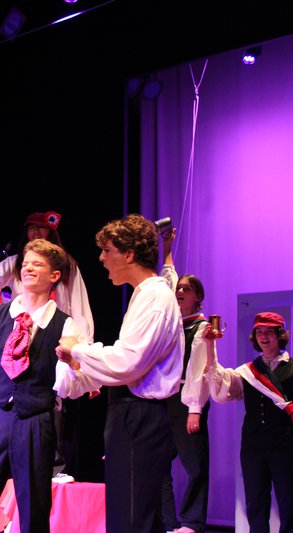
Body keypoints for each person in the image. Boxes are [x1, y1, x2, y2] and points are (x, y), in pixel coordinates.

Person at [0, 238, 98, 533]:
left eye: (38, 264)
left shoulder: (65, 325)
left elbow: (72, 386)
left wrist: (69, 362)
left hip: (35, 419)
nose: (29, 268)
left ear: (54, 276)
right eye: (26, 263)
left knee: (34, 507)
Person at [56, 213, 184, 533]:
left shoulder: (155, 298)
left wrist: (78, 349)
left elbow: (128, 361)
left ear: (128, 254)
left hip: (139, 416)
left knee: (131, 517)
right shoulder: (145, 295)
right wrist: (82, 367)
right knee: (131, 513)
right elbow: (128, 361)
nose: (101, 258)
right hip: (131, 413)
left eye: (107, 250)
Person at [204, 312, 293, 533]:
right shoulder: (248, 371)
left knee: (289, 501)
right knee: (255, 503)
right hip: (253, 445)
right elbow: (221, 392)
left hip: (285, 445)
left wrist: (285, 430)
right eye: (259, 331)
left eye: (269, 332)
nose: (264, 336)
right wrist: (211, 346)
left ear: (280, 335)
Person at [159, 228, 212, 533]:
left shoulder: (202, 329)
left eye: (187, 289)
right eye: (179, 288)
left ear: (198, 297)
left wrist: (194, 409)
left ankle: (192, 522)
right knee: (159, 462)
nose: (180, 291)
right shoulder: (171, 324)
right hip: (166, 400)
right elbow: (167, 281)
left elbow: (199, 371)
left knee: (195, 465)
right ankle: (167, 522)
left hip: (187, 402)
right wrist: (167, 248)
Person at [0, 210, 94, 340]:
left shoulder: (66, 264)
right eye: (31, 228)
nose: (36, 232)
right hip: (24, 331)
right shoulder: (16, 262)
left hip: (59, 332)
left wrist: (85, 340)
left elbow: (78, 303)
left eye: (41, 227)